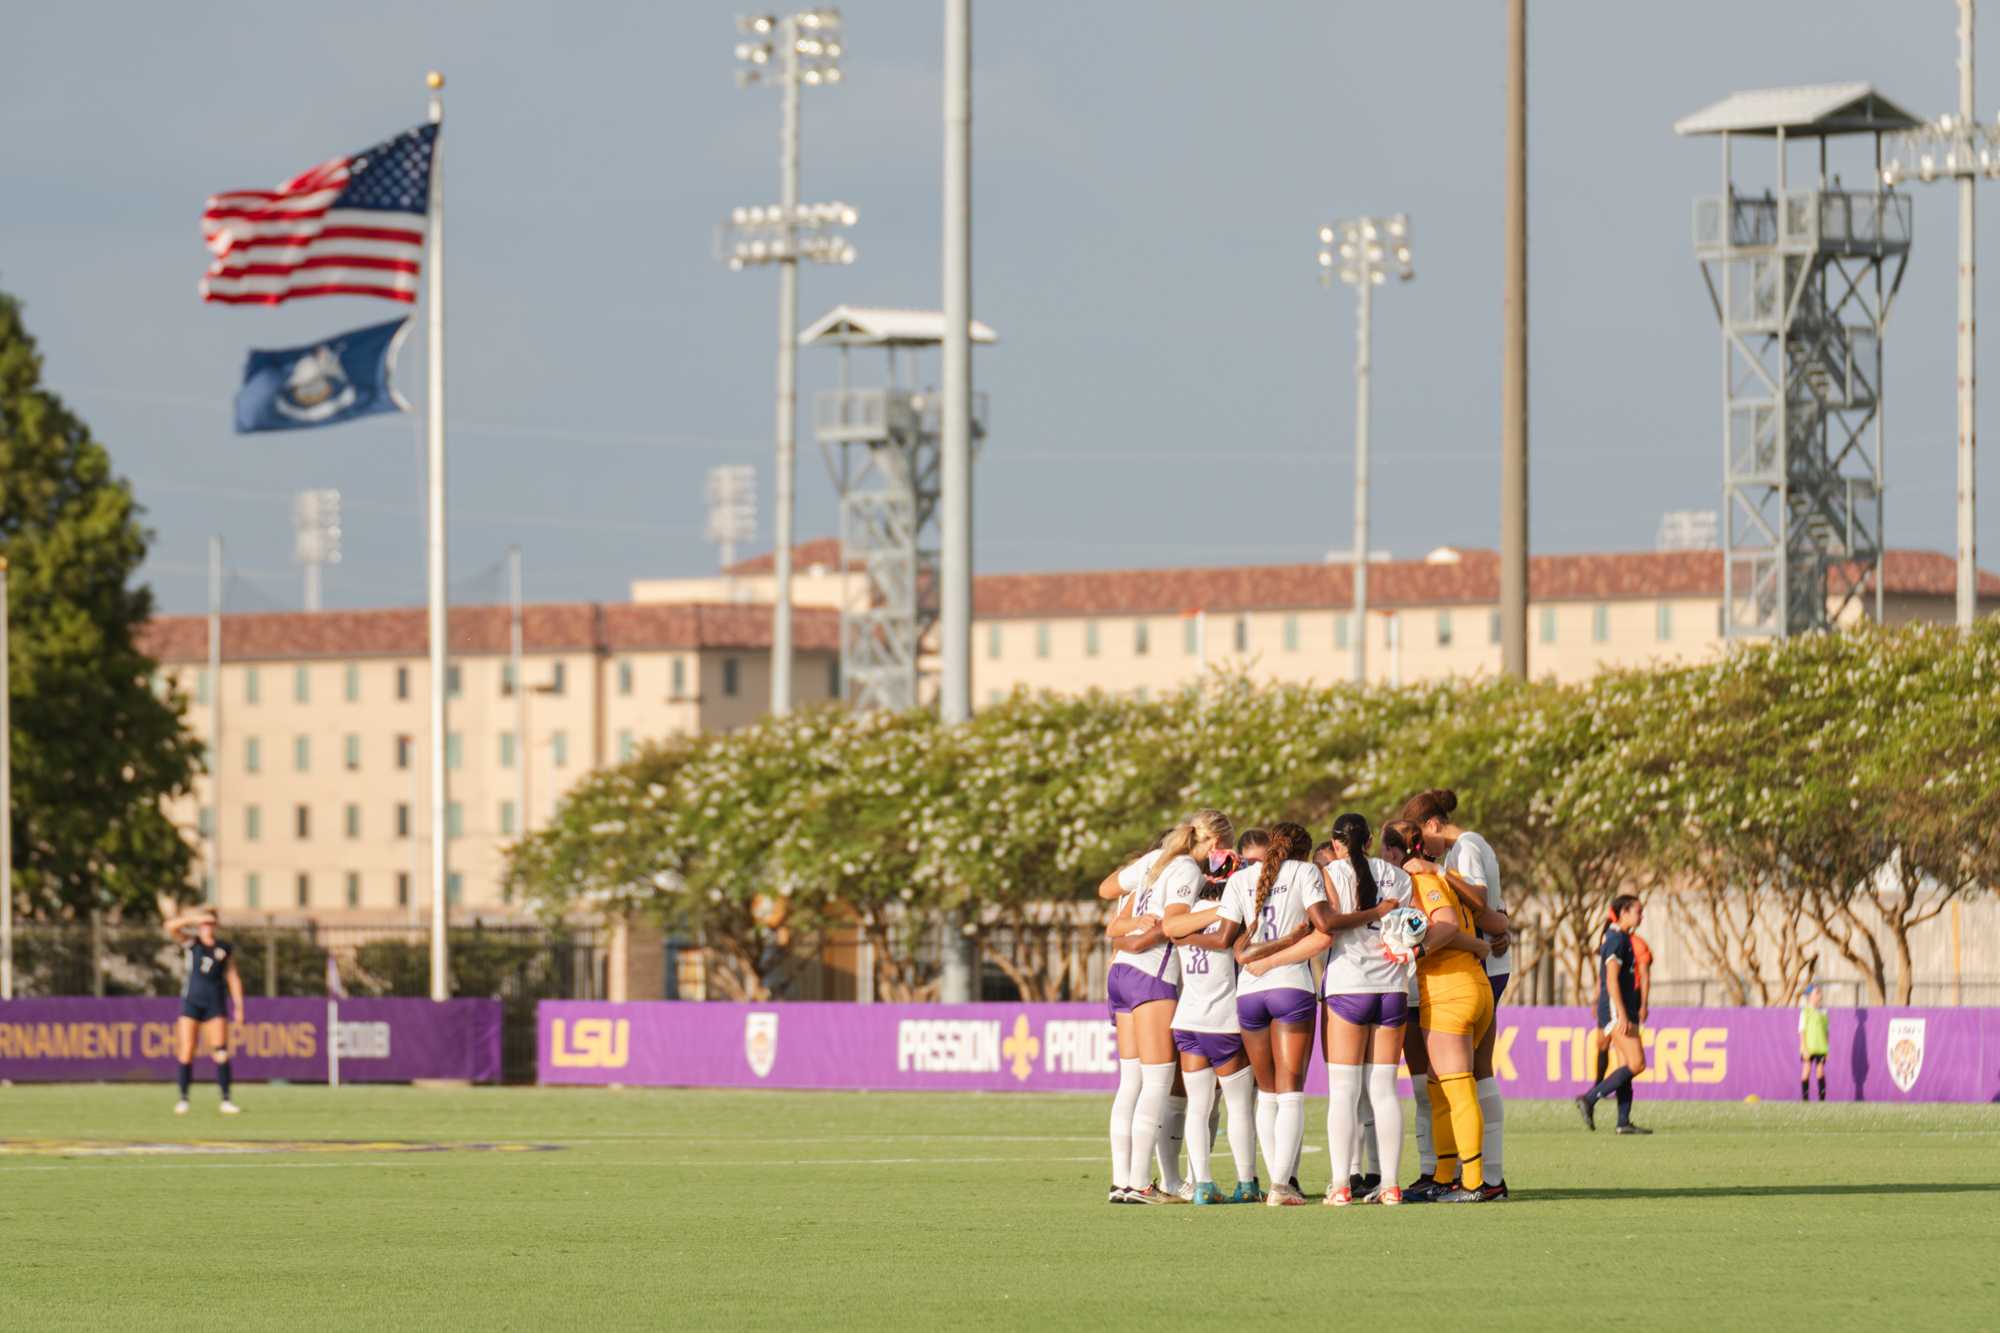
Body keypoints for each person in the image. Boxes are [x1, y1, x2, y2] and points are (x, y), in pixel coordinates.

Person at [1246, 812, 1412, 1205]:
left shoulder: (1329, 874)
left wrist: (1268, 961)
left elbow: (1326, 930)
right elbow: (1411, 928)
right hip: (1392, 988)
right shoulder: (1400, 878)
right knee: (1384, 1090)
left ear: (1336, 843)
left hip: (1348, 988)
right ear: (1370, 840)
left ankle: (1340, 1185)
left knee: (1343, 1092)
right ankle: (1389, 1184)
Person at [1099, 810, 1233, 1203]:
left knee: (1130, 1084)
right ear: (1214, 844)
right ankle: (1139, 1182)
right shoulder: (1187, 870)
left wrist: (1138, 921)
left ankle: (1121, 1181)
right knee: (1156, 1082)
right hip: (1151, 977)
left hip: (1121, 974)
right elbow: (1175, 922)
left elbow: (1108, 890)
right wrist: (1226, 911)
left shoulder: (1154, 861)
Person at [1402, 788, 1512, 1200]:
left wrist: (1434, 874)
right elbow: (1492, 910)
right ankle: (1473, 1174)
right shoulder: (1464, 849)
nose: (1419, 848)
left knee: (1472, 1074)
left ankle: (1484, 1178)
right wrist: (1500, 923)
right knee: (1464, 1074)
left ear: (1433, 825)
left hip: (1478, 967)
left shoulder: (1463, 847)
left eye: (1420, 836)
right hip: (1481, 963)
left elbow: (1479, 901)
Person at [1382, 820, 1496, 1203]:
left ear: (1397, 852)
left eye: (1387, 851)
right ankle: (1446, 1176)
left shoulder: (1422, 879)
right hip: (1465, 984)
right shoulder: (1441, 875)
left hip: (1452, 989)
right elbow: (1486, 919)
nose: (1384, 859)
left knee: (1458, 1089)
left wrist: (1415, 950)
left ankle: (1477, 1183)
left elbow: (1444, 923)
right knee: (1440, 1087)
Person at [1215, 821, 1323, 1207]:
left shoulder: (1240, 879)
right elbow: (1321, 925)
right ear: (1302, 852)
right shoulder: (1305, 871)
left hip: (1249, 992)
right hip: (1290, 986)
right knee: (1291, 1090)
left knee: (1269, 1092)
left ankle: (1277, 1181)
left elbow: (1230, 940)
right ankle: (1281, 1184)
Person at [1162, 844, 1263, 1204]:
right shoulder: (1235, 912)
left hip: (1188, 1020)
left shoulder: (1189, 915)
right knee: (1238, 1107)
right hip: (1224, 1022)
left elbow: (1173, 933)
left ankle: (1202, 1184)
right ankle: (1247, 1183)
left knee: (1198, 1107)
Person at [1576, 894, 1650, 1135]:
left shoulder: (1623, 938)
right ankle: (1589, 1098)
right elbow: (1610, 979)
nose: (1642, 915)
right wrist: (1621, 1014)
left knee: (1627, 1064)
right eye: (1638, 911)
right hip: (1618, 1011)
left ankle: (1623, 1121)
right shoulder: (1616, 939)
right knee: (1637, 1064)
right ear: (1624, 912)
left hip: (1625, 1008)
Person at [164, 910, 244, 1115]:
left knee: (220, 1050)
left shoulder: (223, 948)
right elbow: (170, 927)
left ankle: (226, 1099)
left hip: (215, 1003)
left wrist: (239, 1006)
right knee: (187, 1048)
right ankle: (183, 1098)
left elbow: (233, 977)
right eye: (204, 923)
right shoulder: (193, 944)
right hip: (192, 1001)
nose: (207, 926)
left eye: (210, 923)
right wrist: (192, 918)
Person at [1799, 983, 1830, 1102]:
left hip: (1821, 1048)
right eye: (1816, 993)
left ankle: (1822, 1099)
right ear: (1810, 996)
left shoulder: (1824, 1012)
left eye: (1819, 992)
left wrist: (1827, 1048)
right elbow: (1802, 1031)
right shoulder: (1805, 1011)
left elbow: (1827, 1031)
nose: (1819, 995)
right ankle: (1805, 1099)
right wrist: (1803, 1047)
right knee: (1806, 1070)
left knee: (1820, 1071)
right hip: (1809, 1048)